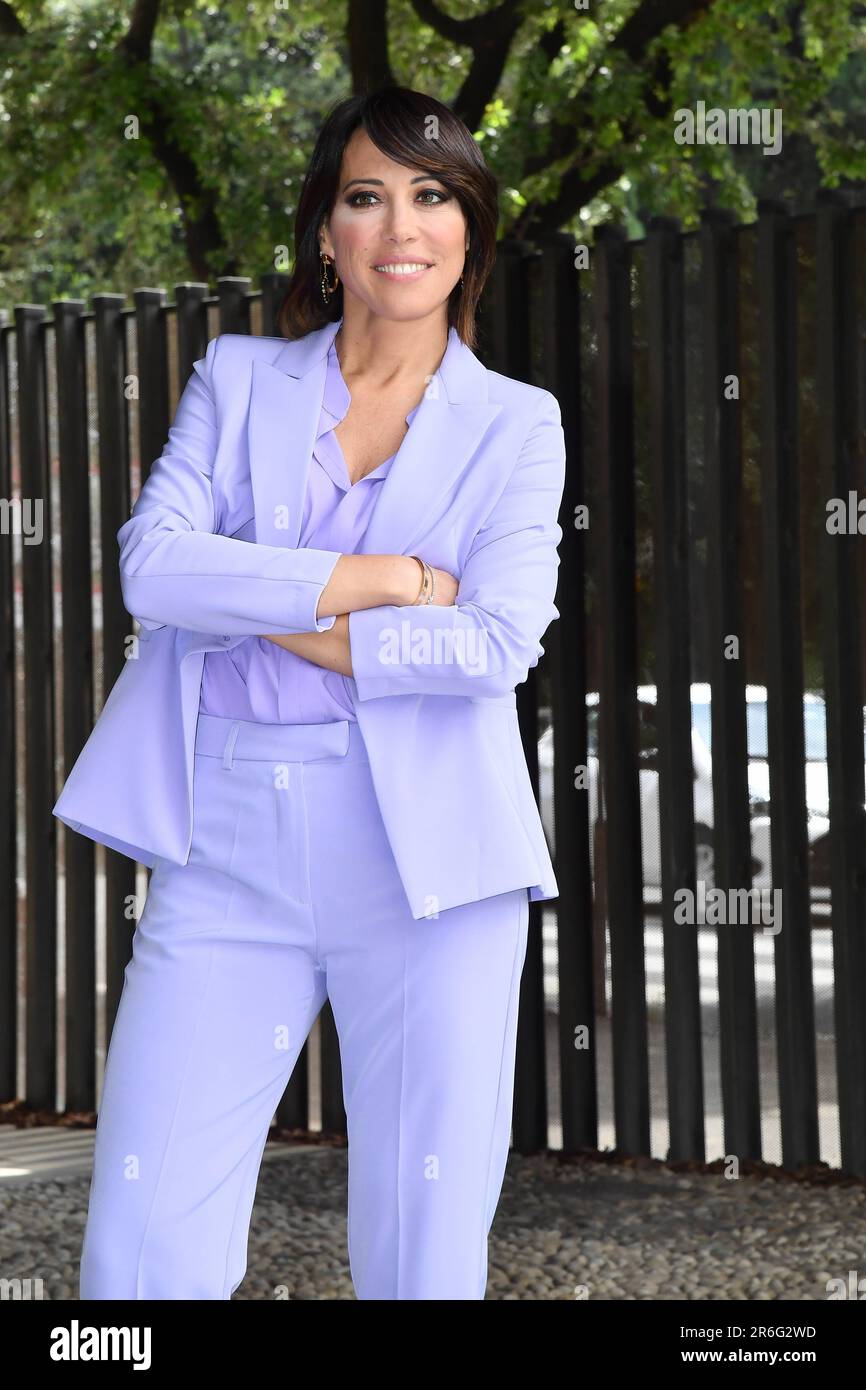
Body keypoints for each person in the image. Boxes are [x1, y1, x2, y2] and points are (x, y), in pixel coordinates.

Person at [54, 84, 567, 1301]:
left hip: (434, 865)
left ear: (469, 230)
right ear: (326, 232)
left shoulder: (516, 425)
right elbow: (154, 568)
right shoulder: (236, 380)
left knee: (421, 1252)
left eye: (432, 195)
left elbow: (494, 642)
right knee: (136, 1248)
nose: (401, 225)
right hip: (224, 843)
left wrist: (262, 603)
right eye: (366, 196)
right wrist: (384, 581)